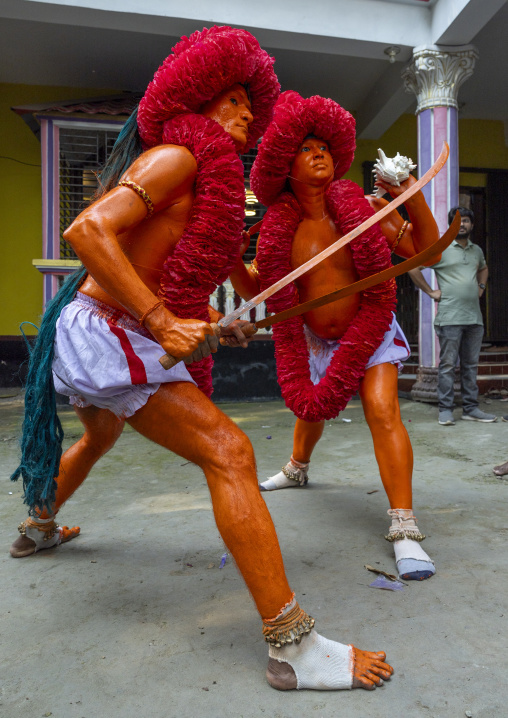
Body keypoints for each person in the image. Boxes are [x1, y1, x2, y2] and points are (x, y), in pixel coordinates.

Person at [9, 28, 393, 692]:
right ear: (200, 100)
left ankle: (36, 528)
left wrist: (216, 323)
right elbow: (87, 231)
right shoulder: (177, 156)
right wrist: (162, 321)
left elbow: (193, 279)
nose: (248, 116)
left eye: (253, 106)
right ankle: (292, 645)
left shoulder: (210, 178)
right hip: (110, 330)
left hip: (116, 330)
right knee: (231, 452)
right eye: (236, 101)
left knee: (98, 437)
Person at [230, 91, 442, 582]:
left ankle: (404, 527)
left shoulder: (366, 208)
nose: (318, 151)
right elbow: (261, 290)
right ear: (285, 164)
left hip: (372, 330)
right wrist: (230, 259)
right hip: (312, 339)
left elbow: (425, 254)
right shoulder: (277, 227)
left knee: (383, 409)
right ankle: (297, 467)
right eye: (305, 147)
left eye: (324, 144)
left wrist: (409, 192)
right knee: (311, 409)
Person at [408, 207, 497, 426]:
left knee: (470, 365)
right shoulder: (441, 249)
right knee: (447, 365)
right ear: (451, 226)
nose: (463, 225)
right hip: (450, 318)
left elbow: (483, 269)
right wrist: (430, 291)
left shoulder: (476, 250)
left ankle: (471, 409)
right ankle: (445, 409)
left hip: (474, 319)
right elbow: (413, 268)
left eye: (466, 221)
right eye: (458, 222)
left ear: (472, 225)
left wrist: (481, 286)